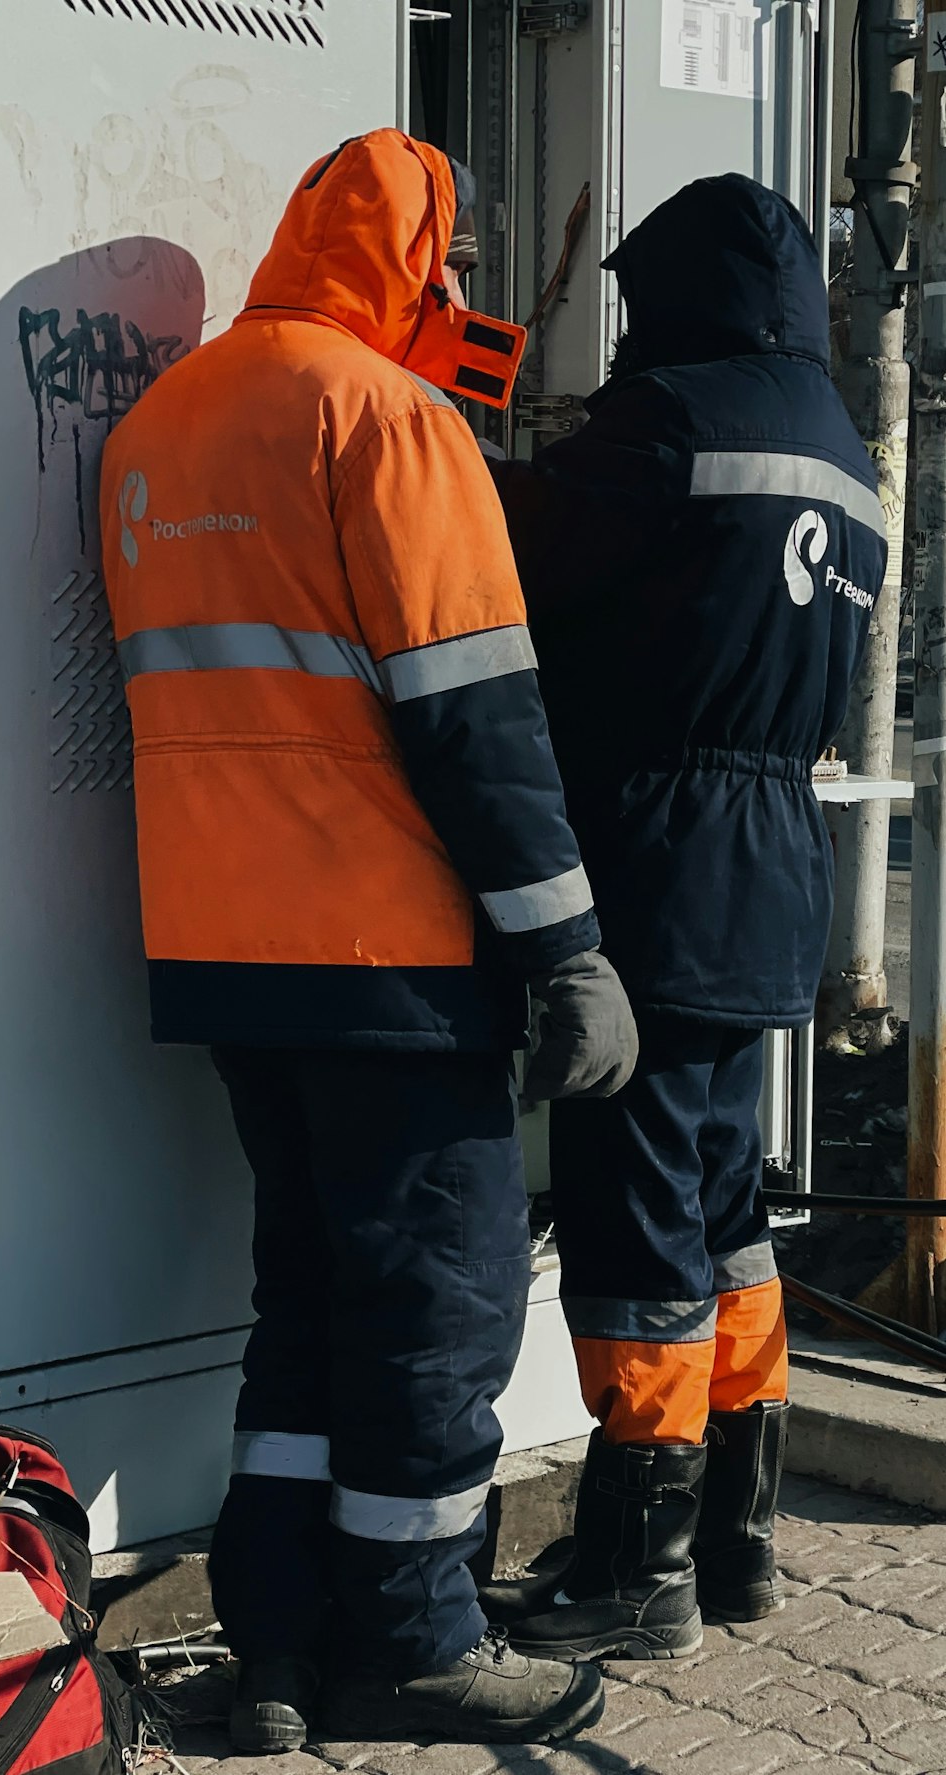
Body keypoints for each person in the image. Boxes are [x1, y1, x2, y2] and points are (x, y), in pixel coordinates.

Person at [99, 128, 637, 1748]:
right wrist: (568, 948)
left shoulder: (159, 421)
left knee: (313, 1296)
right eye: (451, 258)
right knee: (439, 1312)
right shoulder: (388, 418)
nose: (464, 288)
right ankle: (411, 1641)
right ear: (398, 258)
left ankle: (272, 1648)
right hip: (384, 949)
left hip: (219, 951)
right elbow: (477, 719)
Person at [480, 174, 887, 1661]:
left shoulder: (669, 425)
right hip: (773, 865)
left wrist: (464, 426)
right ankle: (737, 1539)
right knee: (726, 1211)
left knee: (637, 1212)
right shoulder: (845, 449)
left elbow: (504, 555)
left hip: (653, 865)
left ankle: (634, 1570)